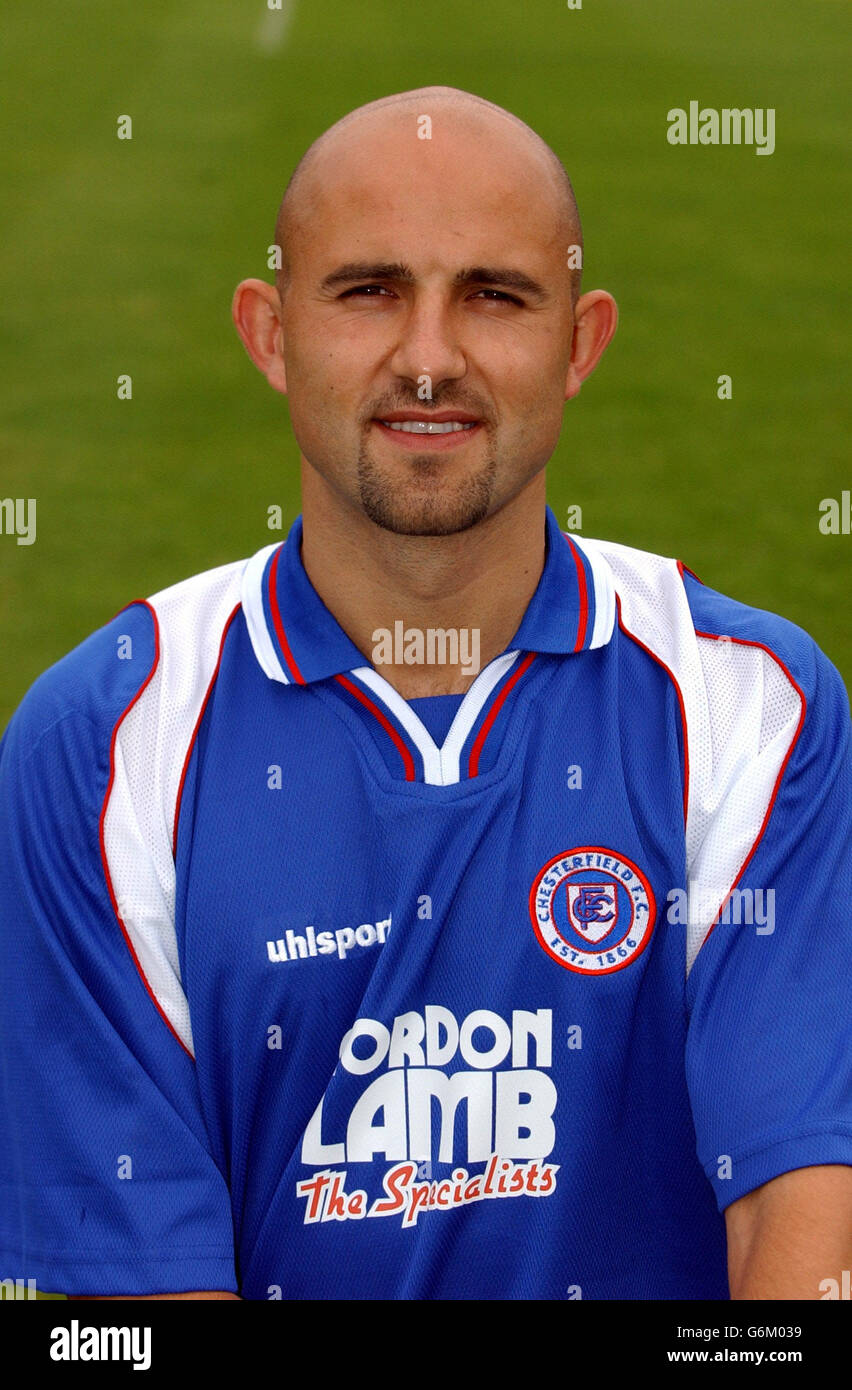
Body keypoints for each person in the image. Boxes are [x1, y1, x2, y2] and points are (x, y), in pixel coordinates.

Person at [1, 86, 850, 1302]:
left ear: (581, 341)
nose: (431, 359)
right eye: (369, 291)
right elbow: (134, 1300)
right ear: (271, 330)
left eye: (495, 295)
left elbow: (800, 1219)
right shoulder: (99, 747)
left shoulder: (753, 711)